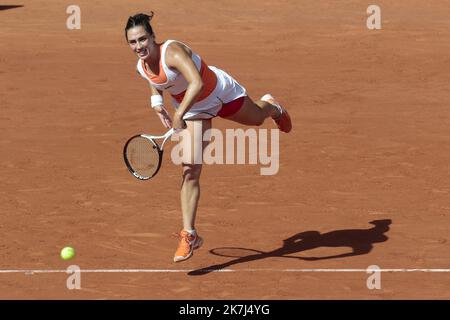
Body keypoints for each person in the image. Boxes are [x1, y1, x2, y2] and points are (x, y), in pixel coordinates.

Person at [125, 12, 292, 262]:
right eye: (133, 42)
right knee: (190, 168)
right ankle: (189, 234)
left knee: (257, 118)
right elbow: (152, 79)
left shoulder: (173, 52)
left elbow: (197, 83)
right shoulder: (141, 64)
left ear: (153, 37)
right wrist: (157, 102)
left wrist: (178, 113)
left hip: (219, 93)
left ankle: (272, 106)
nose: (139, 46)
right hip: (195, 109)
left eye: (143, 39)